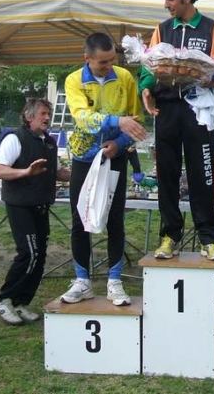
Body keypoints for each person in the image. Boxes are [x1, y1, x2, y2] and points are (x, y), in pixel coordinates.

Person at [139, 0, 214, 261]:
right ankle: (169, 236)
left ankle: (209, 239)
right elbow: (149, 67)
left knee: (203, 175)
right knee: (166, 174)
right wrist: (145, 88)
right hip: (167, 109)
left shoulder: (213, 28)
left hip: (198, 111)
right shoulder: (162, 29)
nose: (165, 4)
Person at [61, 32, 146, 306]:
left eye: (112, 60)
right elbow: (82, 118)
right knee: (80, 220)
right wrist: (117, 121)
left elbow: (135, 122)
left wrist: (119, 144)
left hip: (115, 158)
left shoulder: (125, 78)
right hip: (84, 158)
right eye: (103, 62)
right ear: (87, 58)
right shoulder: (74, 80)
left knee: (115, 219)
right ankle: (82, 281)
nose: (109, 66)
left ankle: (115, 282)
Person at [0, 99, 71, 325]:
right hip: (20, 204)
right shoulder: (15, 139)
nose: (47, 118)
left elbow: (57, 172)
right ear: (29, 116)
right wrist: (26, 172)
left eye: (49, 114)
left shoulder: (49, 142)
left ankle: (20, 302)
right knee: (29, 253)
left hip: (41, 204)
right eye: (43, 114)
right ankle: (3, 299)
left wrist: (86, 173)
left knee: (40, 256)